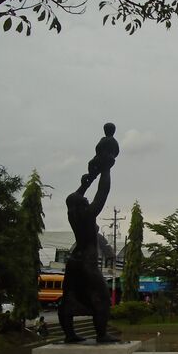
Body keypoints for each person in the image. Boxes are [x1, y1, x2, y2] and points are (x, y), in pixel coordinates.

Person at [58, 146, 119, 343]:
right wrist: (106, 169)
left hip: (74, 260)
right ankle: (101, 334)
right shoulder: (86, 215)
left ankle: (69, 334)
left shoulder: (73, 213)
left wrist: (87, 181)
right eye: (85, 199)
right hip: (87, 262)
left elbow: (75, 196)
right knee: (101, 295)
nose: (86, 198)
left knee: (69, 296)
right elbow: (102, 193)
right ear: (84, 205)